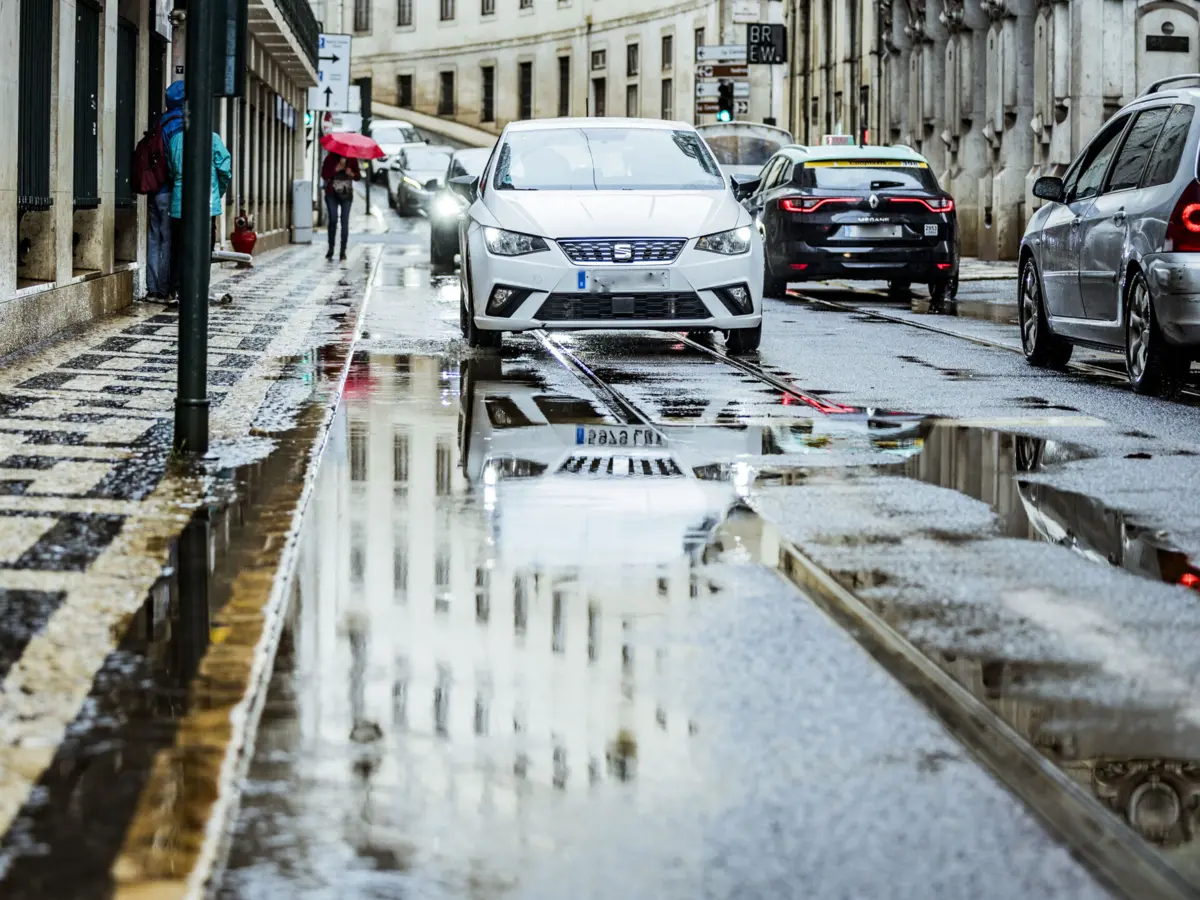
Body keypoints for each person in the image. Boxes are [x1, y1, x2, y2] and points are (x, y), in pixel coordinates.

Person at [164, 80, 233, 302]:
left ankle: (175, 290)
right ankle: (198, 289)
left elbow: (173, 170)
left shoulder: (175, 140)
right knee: (203, 251)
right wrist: (217, 193)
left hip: (179, 204)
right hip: (206, 204)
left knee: (178, 248)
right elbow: (225, 170)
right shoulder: (212, 139)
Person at [146, 94, 183, 300]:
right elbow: (174, 163)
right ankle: (162, 288)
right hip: (168, 190)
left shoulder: (160, 121)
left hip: (154, 189)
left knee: (153, 238)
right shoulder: (179, 125)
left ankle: (151, 288)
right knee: (167, 240)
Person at [321, 152, 360, 262]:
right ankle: (331, 248)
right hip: (332, 194)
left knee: (344, 222)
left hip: (346, 194)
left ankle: (343, 251)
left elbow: (358, 177)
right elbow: (324, 175)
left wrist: (351, 173)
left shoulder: (352, 158)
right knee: (333, 220)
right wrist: (335, 170)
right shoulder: (330, 158)